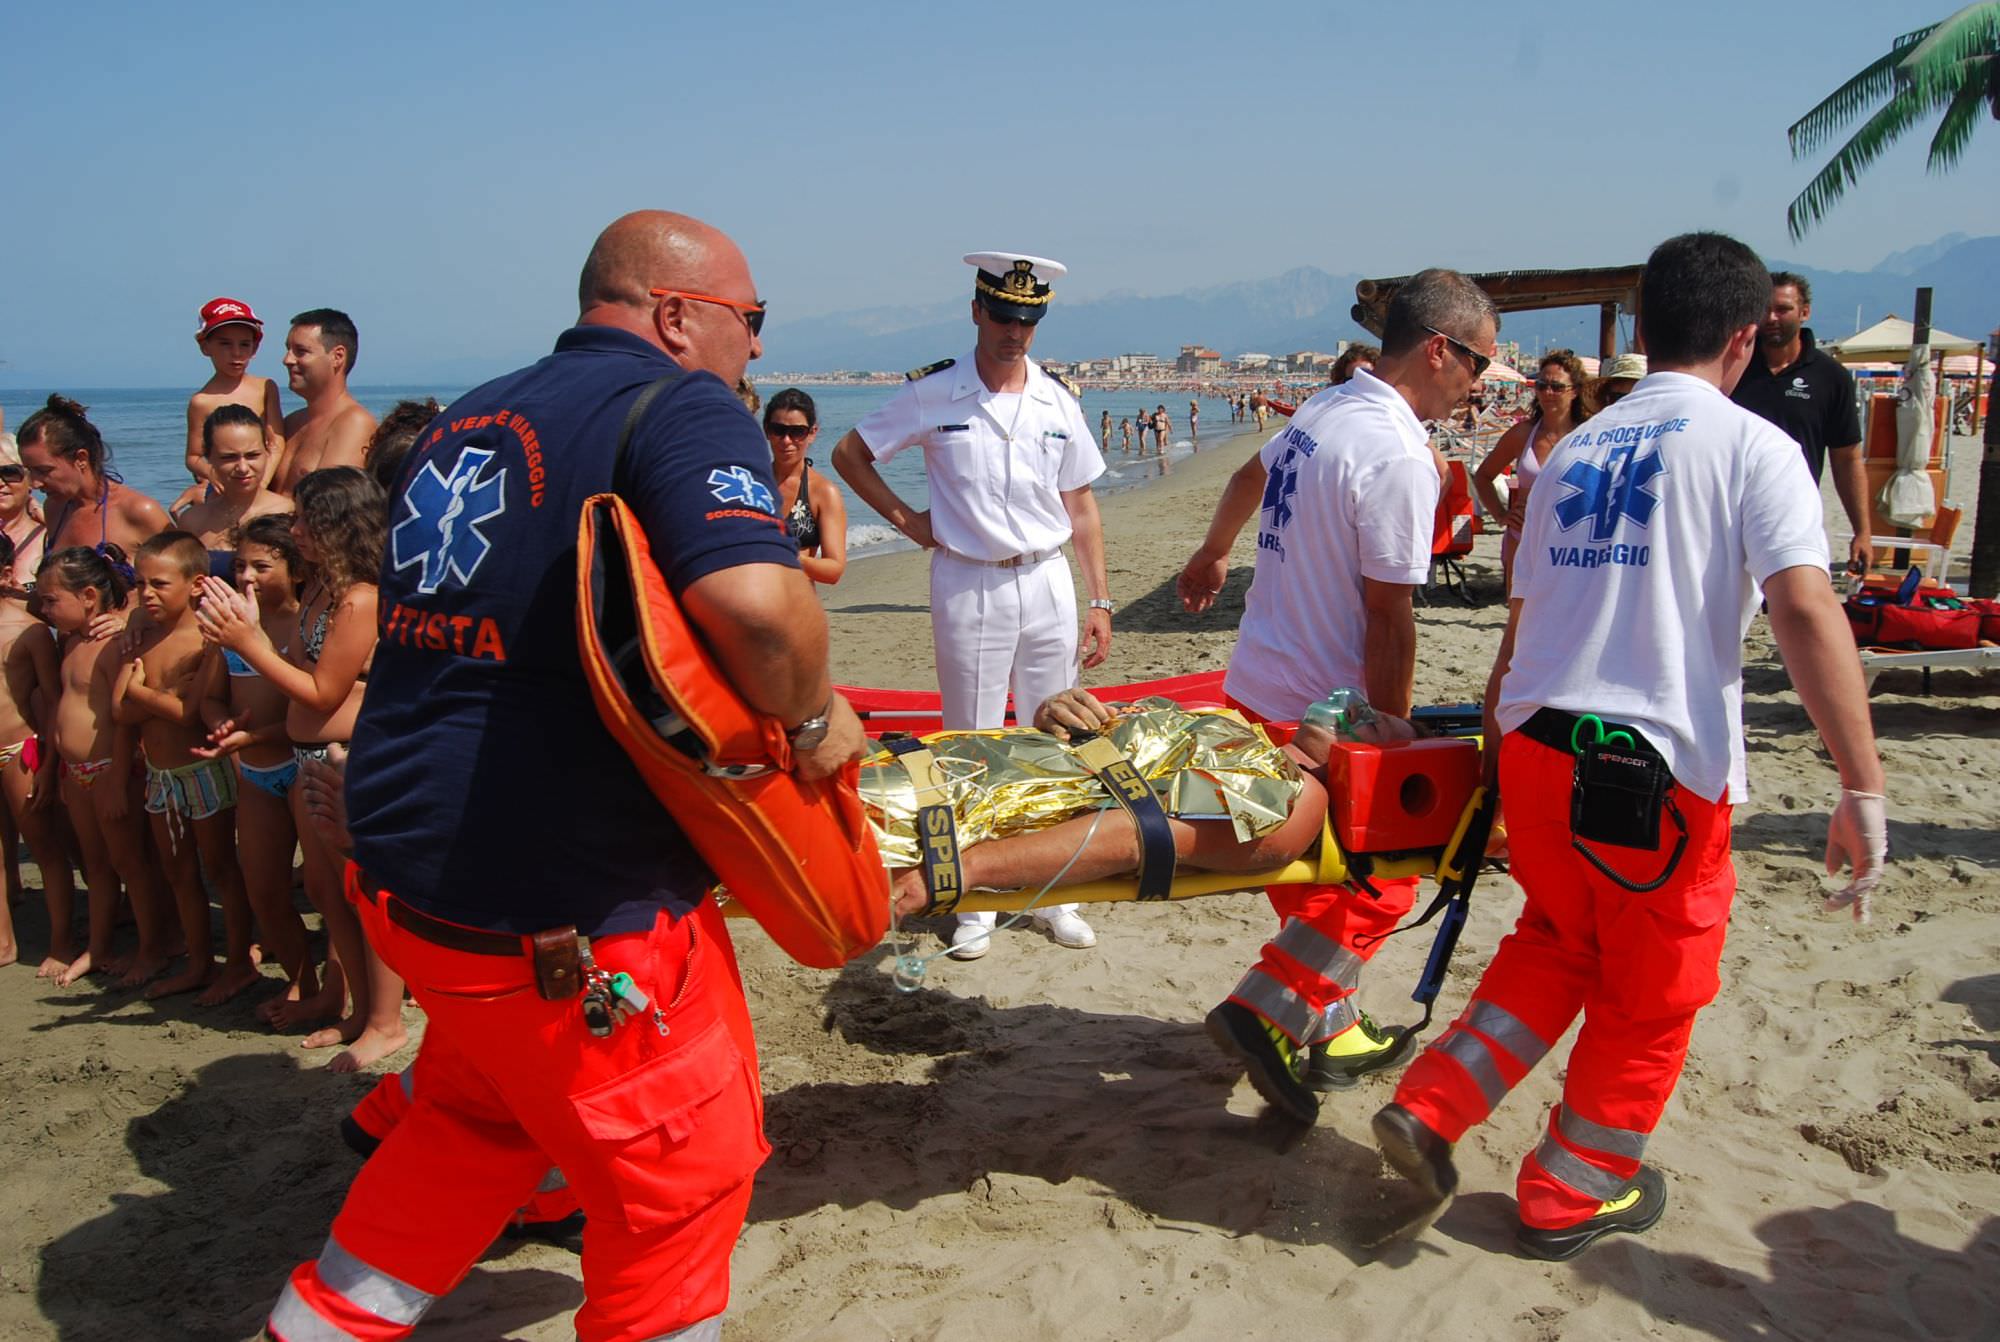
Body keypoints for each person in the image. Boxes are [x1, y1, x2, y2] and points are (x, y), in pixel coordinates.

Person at [263, 209, 865, 1342]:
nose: (758, 350)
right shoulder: (681, 404)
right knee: (685, 1180)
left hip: (403, 869)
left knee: (474, 1122)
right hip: (565, 905)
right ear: (676, 313)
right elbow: (758, 611)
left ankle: (317, 1326)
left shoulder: (468, 414)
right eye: (753, 320)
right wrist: (818, 719)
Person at [1373, 232, 1888, 1261]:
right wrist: (1860, 781)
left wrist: (1493, 738)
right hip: (1647, 763)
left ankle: (1432, 1104)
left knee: (1557, 942)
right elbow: (1801, 605)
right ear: (1745, 336)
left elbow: (1526, 617)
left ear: (1642, 330)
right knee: (1654, 988)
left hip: (1537, 738)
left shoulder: (1573, 449)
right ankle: (1574, 1184)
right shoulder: (1751, 448)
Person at [1177, 268, 1499, 1123]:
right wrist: (1391, 733)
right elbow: (1390, 617)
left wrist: (1215, 553)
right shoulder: (1396, 454)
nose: (1478, 386)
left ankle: (1333, 1026)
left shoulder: (1326, 410)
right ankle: (1265, 1007)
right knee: (1388, 872)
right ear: (1438, 350)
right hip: (1317, 705)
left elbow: (1250, 473)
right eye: (1476, 365)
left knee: (1308, 881)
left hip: (1256, 681)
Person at [832, 251, 1111, 961]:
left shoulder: (1057, 401)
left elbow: (1080, 503)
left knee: (1056, 739)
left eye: (1029, 319)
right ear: (977, 312)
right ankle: (975, 900)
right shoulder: (934, 394)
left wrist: (1101, 597)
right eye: (1005, 315)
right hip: (968, 579)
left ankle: (1057, 890)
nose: (1015, 331)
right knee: (972, 740)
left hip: (1047, 577)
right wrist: (907, 521)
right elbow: (851, 454)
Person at [198, 469, 392, 1066]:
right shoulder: (320, 590)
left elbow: (321, 692)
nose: (296, 530)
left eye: (307, 520)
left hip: (348, 759)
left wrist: (247, 640)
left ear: (336, 526)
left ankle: (385, 1023)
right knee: (326, 889)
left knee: (366, 894)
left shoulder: (361, 597)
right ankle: (355, 1008)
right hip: (309, 757)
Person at [113, 531, 254, 1002]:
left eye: (158, 584)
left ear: (196, 584)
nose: (146, 595)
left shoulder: (207, 637)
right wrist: (156, 698)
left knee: (220, 869)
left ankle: (236, 965)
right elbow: (119, 711)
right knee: (177, 872)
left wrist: (139, 691)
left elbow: (187, 714)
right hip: (159, 776)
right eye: (139, 585)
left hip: (202, 774)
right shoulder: (142, 632)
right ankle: (198, 962)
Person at [196, 513, 317, 1024]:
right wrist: (222, 724)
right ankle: (300, 980)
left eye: (262, 566)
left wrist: (258, 735)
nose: (246, 577)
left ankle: (342, 989)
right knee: (263, 888)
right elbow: (208, 697)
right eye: (240, 565)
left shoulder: (307, 622)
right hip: (257, 773)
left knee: (328, 897)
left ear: (294, 569)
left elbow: (316, 706)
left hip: (302, 762)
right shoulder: (229, 625)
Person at [43, 546, 171, 988]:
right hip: (75, 772)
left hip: (108, 769)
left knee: (130, 863)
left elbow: (123, 720)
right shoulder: (72, 638)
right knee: (96, 865)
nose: (44, 609)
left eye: (51, 600)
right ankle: (98, 947)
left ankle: (152, 949)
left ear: (90, 597)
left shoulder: (115, 643)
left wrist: (117, 779)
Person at [1730, 272, 1870, 573]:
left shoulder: (1831, 378)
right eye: (1765, 309)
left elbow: (1847, 459)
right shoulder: (1732, 367)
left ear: (1804, 312)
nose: (1771, 317)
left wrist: (1862, 531)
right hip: (1730, 510)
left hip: (1791, 512)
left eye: (1782, 309)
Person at [1474, 350, 1588, 596]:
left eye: (1557, 387)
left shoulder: (1588, 436)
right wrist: (1501, 515)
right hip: (1523, 536)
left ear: (1575, 390)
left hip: (1572, 540)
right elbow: (1483, 476)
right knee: (1519, 617)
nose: (1547, 393)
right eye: (1541, 385)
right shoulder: (1522, 434)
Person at [18, 397, 170, 558]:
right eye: (29, 471)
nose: (34, 483)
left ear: (81, 459)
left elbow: (183, 575)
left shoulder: (139, 511)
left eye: (44, 470)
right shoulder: (55, 508)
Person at [179, 298, 286, 510]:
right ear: (204, 346)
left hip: (264, 485)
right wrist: (214, 475)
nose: (236, 353)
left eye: (244, 344)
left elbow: (276, 443)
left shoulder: (265, 387)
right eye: (225, 343)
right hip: (223, 490)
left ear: (255, 348)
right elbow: (193, 457)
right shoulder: (201, 402)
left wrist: (261, 484)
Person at [174, 405, 292, 577]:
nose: (243, 468)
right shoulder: (192, 521)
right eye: (229, 457)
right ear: (209, 457)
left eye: (252, 455)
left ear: (267, 451)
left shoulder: (289, 515)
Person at [275, 310, 377, 495]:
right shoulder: (291, 423)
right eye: (288, 350)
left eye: (301, 351)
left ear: (337, 357)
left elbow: (327, 505)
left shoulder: (354, 423)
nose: (287, 360)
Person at [764, 388, 848, 585]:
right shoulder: (752, 483)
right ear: (767, 430)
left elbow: (834, 570)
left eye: (797, 432)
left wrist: (785, 555)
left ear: (812, 433)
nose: (787, 440)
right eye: (779, 430)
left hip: (797, 606)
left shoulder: (823, 492)